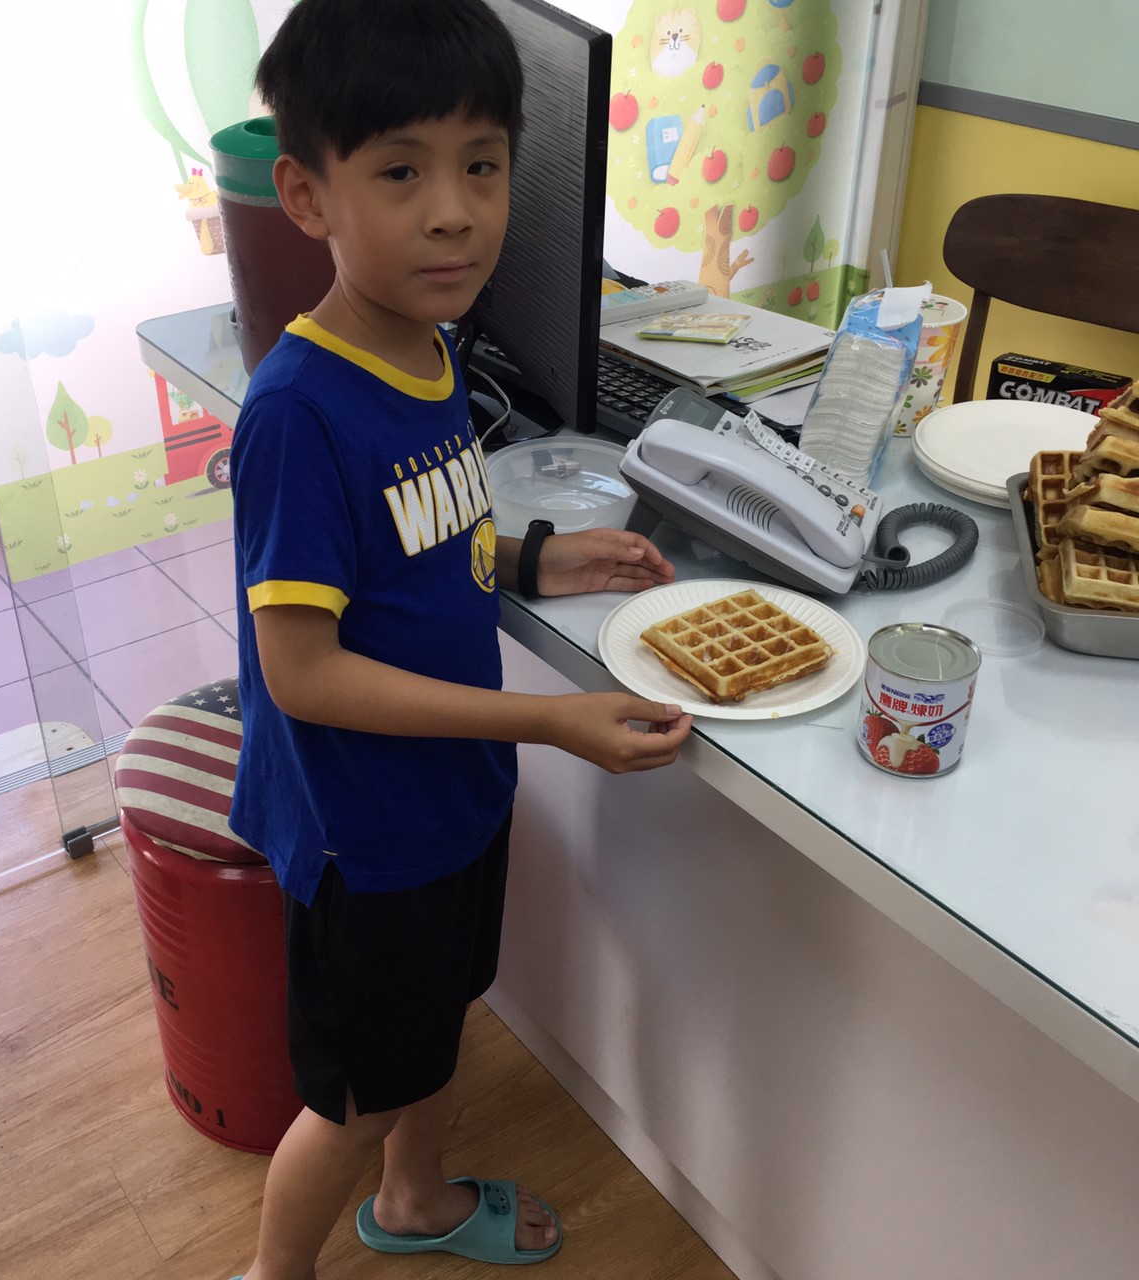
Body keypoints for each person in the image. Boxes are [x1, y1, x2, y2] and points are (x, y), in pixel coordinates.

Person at [227, 2, 694, 1276]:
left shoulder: (427, 347)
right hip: (362, 832)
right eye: (400, 172)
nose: (454, 212)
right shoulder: (298, 413)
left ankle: (416, 1199)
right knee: (352, 1094)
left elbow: (421, 540)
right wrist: (547, 718)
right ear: (307, 196)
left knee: (433, 1022)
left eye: (480, 165)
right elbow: (302, 669)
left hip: (448, 801)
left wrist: (534, 557)